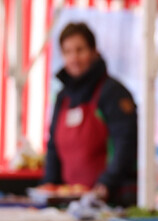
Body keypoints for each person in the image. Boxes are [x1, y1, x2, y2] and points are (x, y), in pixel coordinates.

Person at [43, 22, 138, 205]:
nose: (74, 58)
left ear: (94, 51)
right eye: (68, 52)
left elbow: (125, 142)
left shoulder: (112, 92)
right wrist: (49, 183)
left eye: (80, 50)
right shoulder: (63, 97)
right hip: (71, 202)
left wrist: (107, 183)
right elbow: (53, 146)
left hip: (111, 200)